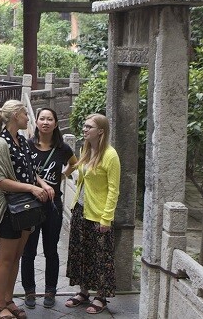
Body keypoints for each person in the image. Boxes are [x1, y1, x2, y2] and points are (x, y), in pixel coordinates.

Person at [0, 100, 53, 319]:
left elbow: (30, 170)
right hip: (9, 206)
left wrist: (42, 184)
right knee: (5, 257)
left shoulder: (23, 141)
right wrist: (32, 189)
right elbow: (1, 181)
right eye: (26, 113)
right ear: (16, 115)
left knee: (17, 255)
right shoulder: (0, 143)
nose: (28, 118)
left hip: (26, 207)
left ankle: (8, 299)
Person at [20, 108, 76, 309]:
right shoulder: (27, 146)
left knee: (51, 250)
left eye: (49, 119)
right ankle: (29, 290)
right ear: (36, 122)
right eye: (42, 118)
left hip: (53, 206)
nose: (45, 122)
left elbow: (74, 164)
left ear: (55, 123)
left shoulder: (63, 149)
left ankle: (51, 290)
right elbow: (23, 169)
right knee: (28, 251)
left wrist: (61, 176)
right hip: (30, 205)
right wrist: (40, 183)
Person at [64, 114, 120, 315]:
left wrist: (106, 218)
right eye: (84, 126)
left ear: (101, 131)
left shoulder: (110, 155)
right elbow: (80, 175)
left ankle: (101, 297)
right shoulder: (85, 149)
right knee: (81, 252)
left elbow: (114, 190)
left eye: (89, 127)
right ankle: (83, 291)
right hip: (80, 209)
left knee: (100, 257)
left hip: (98, 214)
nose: (85, 129)